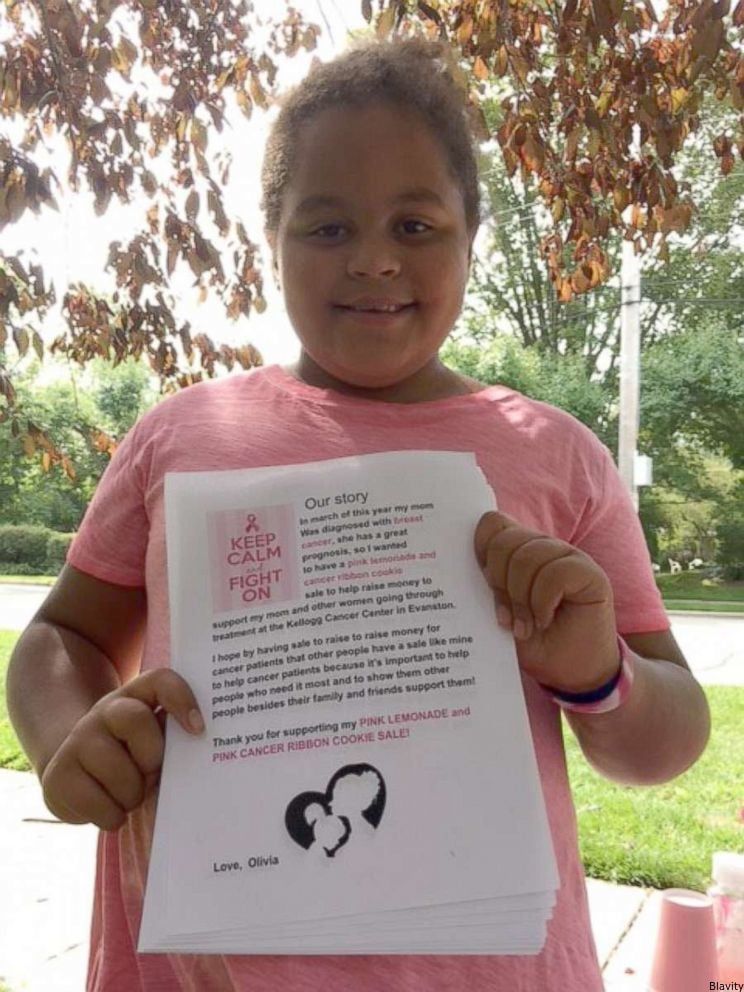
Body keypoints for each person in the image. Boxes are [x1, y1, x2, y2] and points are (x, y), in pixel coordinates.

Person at [7, 36, 710, 992]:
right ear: (273, 241)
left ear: (471, 237)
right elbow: (63, 636)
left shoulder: (559, 455)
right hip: (201, 964)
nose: (374, 260)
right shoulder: (181, 435)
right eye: (328, 227)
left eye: (415, 225)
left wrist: (599, 676)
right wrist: (69, 740)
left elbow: (668, 742)